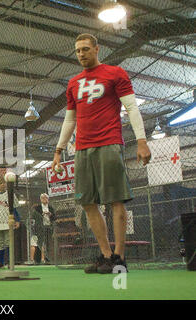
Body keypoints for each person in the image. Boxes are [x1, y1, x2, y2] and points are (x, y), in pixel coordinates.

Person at [51, 33, 151, 274]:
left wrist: (142, 140)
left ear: (97, 49)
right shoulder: (73, 83)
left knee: (115, 200)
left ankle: (120, 258)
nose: (81, 54)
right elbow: (69, 119)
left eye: (86, 49)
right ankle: (106, 255)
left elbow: (131, 107)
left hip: (109, 143)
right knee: (87, 202)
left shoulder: (115, 73)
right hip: (82, 149)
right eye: (77, 50)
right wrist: (58, 150)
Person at [31, 193, 56, 264]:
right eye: (43, 198)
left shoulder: (51, 208)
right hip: (40, 228)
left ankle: (47, 259)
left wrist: (50, 214)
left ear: (48, 199)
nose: (45, 199)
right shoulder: (37, 208)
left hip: (48, 227)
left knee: (47, 243)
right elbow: (33, 217)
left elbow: (55, 218)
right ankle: (37, 260)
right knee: (40, 243)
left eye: (46, 198)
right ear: (41, 199)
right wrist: (40, 215)